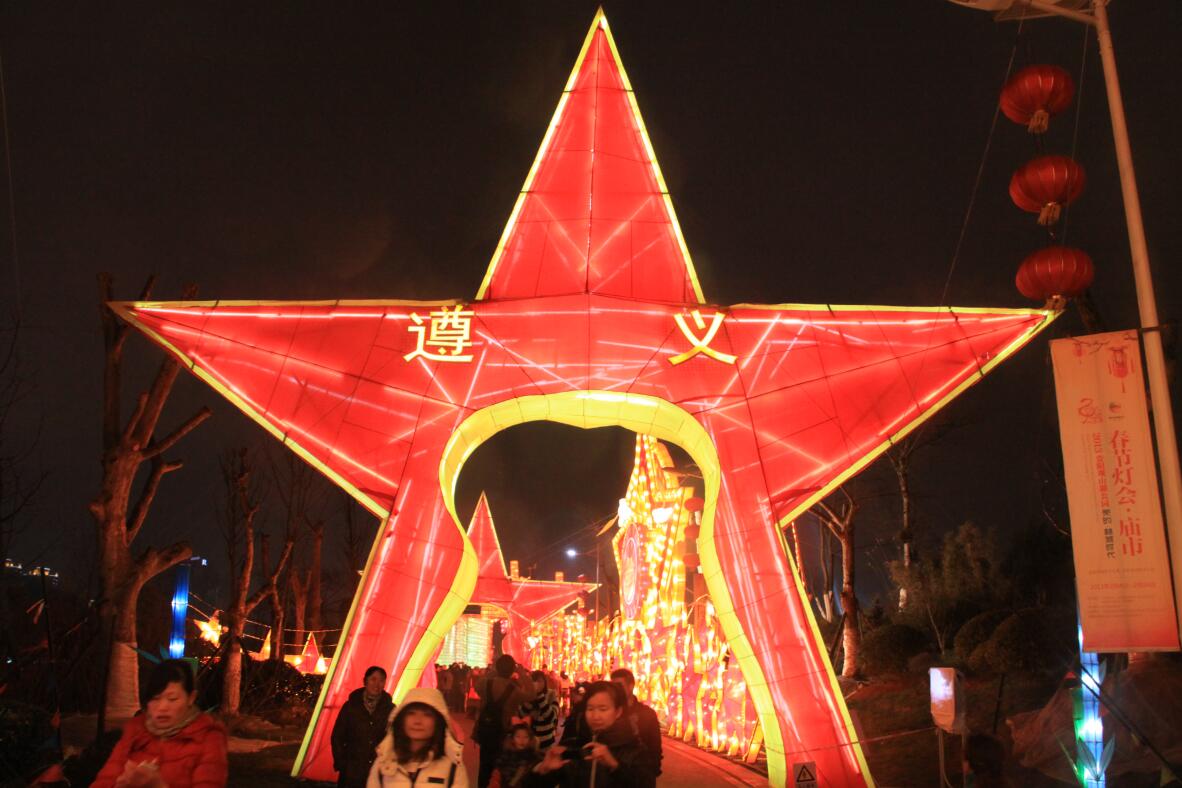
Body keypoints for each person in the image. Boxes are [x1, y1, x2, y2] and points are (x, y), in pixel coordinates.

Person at [93, 659, 227, 788]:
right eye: (155, 699)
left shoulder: (208, 738)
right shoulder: (135, 731)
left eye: (172, 699)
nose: (162, 707)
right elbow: (105, 779)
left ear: (191, 698)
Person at [525, 681, 653, 788]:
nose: (595, 716)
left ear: (618, 712)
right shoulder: (573, 746)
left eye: (603, 709)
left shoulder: (634, 751)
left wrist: (615, 766)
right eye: (590, 709)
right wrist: (542, 770)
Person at [367, 687, 467, 787]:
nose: (417, 721)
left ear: (438, 722)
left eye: (427, 715)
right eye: (411, 713)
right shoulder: (383, 763)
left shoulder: (452, 767)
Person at [474, 655, 534, 788]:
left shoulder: (485, 684)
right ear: (512, 670)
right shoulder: (513, 690)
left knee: (484, 767)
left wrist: (493, 671)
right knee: (501, 769)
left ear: (497, 667)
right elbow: (531, 694)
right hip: (504, 733)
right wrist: (522, 673)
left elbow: (477, 684)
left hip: (485, 731)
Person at [331, 665, 395, 788]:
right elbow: (337, 736)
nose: (377, 684)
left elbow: (393, 738)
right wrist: (342, 763)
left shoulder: (390, 709)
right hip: (351, 771)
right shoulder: (351, 706)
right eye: (373, 679)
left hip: (378, 770)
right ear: (365, 681)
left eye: (381, 680)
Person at [608, 669, 661, 784]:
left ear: (631, 686)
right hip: (614, 775)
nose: (616, 690)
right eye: (613, 686)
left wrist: (652, 771)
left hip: (640, 773)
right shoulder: (610, 712)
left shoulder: (647, 714)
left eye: (619, 685)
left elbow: (655, 746)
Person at [519, 671, 560, 750]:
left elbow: (551, 717)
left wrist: (540, 695)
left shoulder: (551, 694)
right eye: (534, 681)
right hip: (528, 740)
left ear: (545, 682)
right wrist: (530, 697)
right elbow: (522, 715)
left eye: (540, 681)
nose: (537, 684)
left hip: (545, 740)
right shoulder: (526, 694)